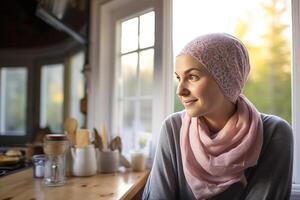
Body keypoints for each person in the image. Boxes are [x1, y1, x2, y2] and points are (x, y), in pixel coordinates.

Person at [142, 33, 293, 200]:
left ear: (227, 79)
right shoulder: (173, 127)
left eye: (192, 77)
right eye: (179, 78)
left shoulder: (274, 133)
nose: (180, 91)